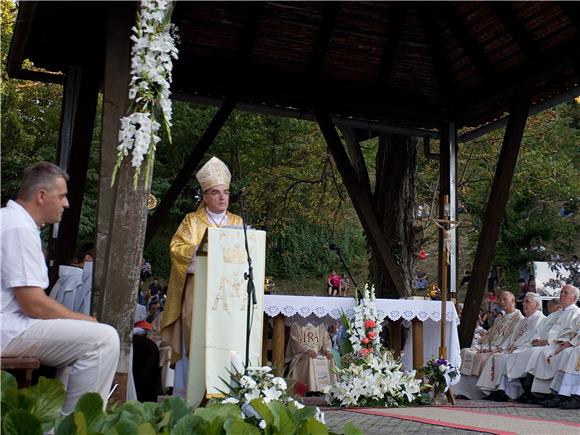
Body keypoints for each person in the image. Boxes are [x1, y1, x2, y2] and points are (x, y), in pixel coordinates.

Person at [0, 162, 119, 414]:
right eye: (62, 196)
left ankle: (56, 424)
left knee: (82, 341)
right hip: (6, 328)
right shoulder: (18, 227)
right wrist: (85, 319)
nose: (66, 204)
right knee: (104, 339)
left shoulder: (12, 221)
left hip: (9, 324)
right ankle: (77, 427)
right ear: (42, 196)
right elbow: (32, 303)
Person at [160, 156, 242, 397]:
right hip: (199, 293)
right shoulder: (192, 222)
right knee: (196, 344)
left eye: (225, 192)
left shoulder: (237, 222)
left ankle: (227, 393)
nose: (222, 197)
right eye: (215, 192)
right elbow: (177, 249)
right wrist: (199, 251)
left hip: (229, 295)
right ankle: (192, 396)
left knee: (228, 344)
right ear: (205, 196)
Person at [475, 293, 546, 401]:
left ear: (537, 305)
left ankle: (505, 392)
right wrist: (502, 347)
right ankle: (497, 390)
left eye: (527, 302)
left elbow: (534, 338)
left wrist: (517, 347)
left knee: (503, 358)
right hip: (514, 348)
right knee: (497, 356)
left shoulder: (541, 319)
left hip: (526, 349)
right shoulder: (523, 320)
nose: (524, 304)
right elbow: (511, 337)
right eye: (523, 302)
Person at [454, 291, 523, 400]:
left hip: (500, 349)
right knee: (464, 352)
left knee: (481, 358)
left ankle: (480, 392)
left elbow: (512, 339)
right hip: (488, 347)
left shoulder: (519, 319)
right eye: (500, 299)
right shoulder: (499, 318)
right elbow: (489, 334)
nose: (501, 302)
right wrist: (484, 346)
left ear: (513, 301)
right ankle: (463, 391)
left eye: (504, 299)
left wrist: (490, 350)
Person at [285, 321, 336, 395]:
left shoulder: (319, 324)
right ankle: (311, 389)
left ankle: (327, 389)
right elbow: (296, 342)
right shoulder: (296, 324)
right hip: (302, 354)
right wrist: (307, 350)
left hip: (318, 352)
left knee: (329, 358)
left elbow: (326, 340)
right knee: (310, 358)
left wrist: (327, 350)